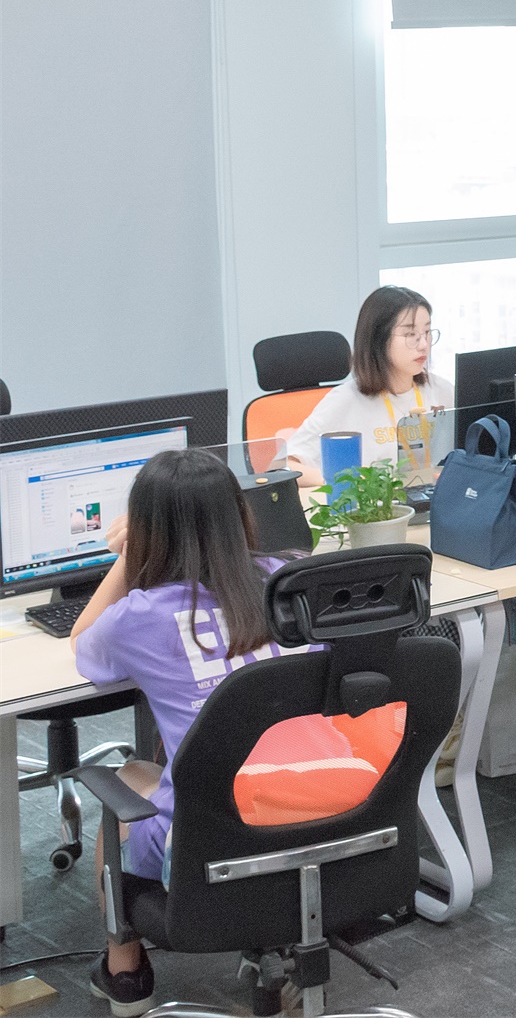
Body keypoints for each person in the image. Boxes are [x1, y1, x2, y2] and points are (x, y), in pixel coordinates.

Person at [70, 449, 317, 1016]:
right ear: (240, 515)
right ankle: (283, 941)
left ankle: (125, 975)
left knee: (126, 781)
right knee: (159, 768)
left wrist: (128, 557)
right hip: (325, 805)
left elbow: (83, 644)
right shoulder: (290, 581)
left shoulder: (138, 616)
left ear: (148, 530)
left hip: (214, 841)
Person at [288, 285, 452, 486]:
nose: (424, 344)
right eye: (410, 334)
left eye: (427, 332)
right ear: (378, 339)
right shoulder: (345, 400)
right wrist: (343, 482)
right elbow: (288, 466)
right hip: (377, 504)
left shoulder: (442, 390)